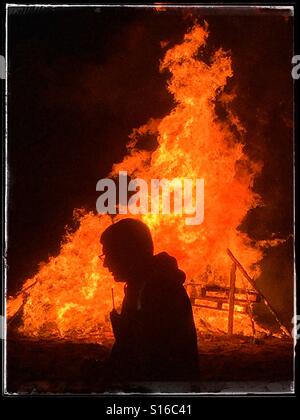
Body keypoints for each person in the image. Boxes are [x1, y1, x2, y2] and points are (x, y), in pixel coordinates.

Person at [100, 218, 199, 382]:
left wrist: (125, 334)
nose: (105, 264)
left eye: (109, 254)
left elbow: (155, 360)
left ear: (128, 252)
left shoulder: (158, 290)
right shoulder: (139, 285)